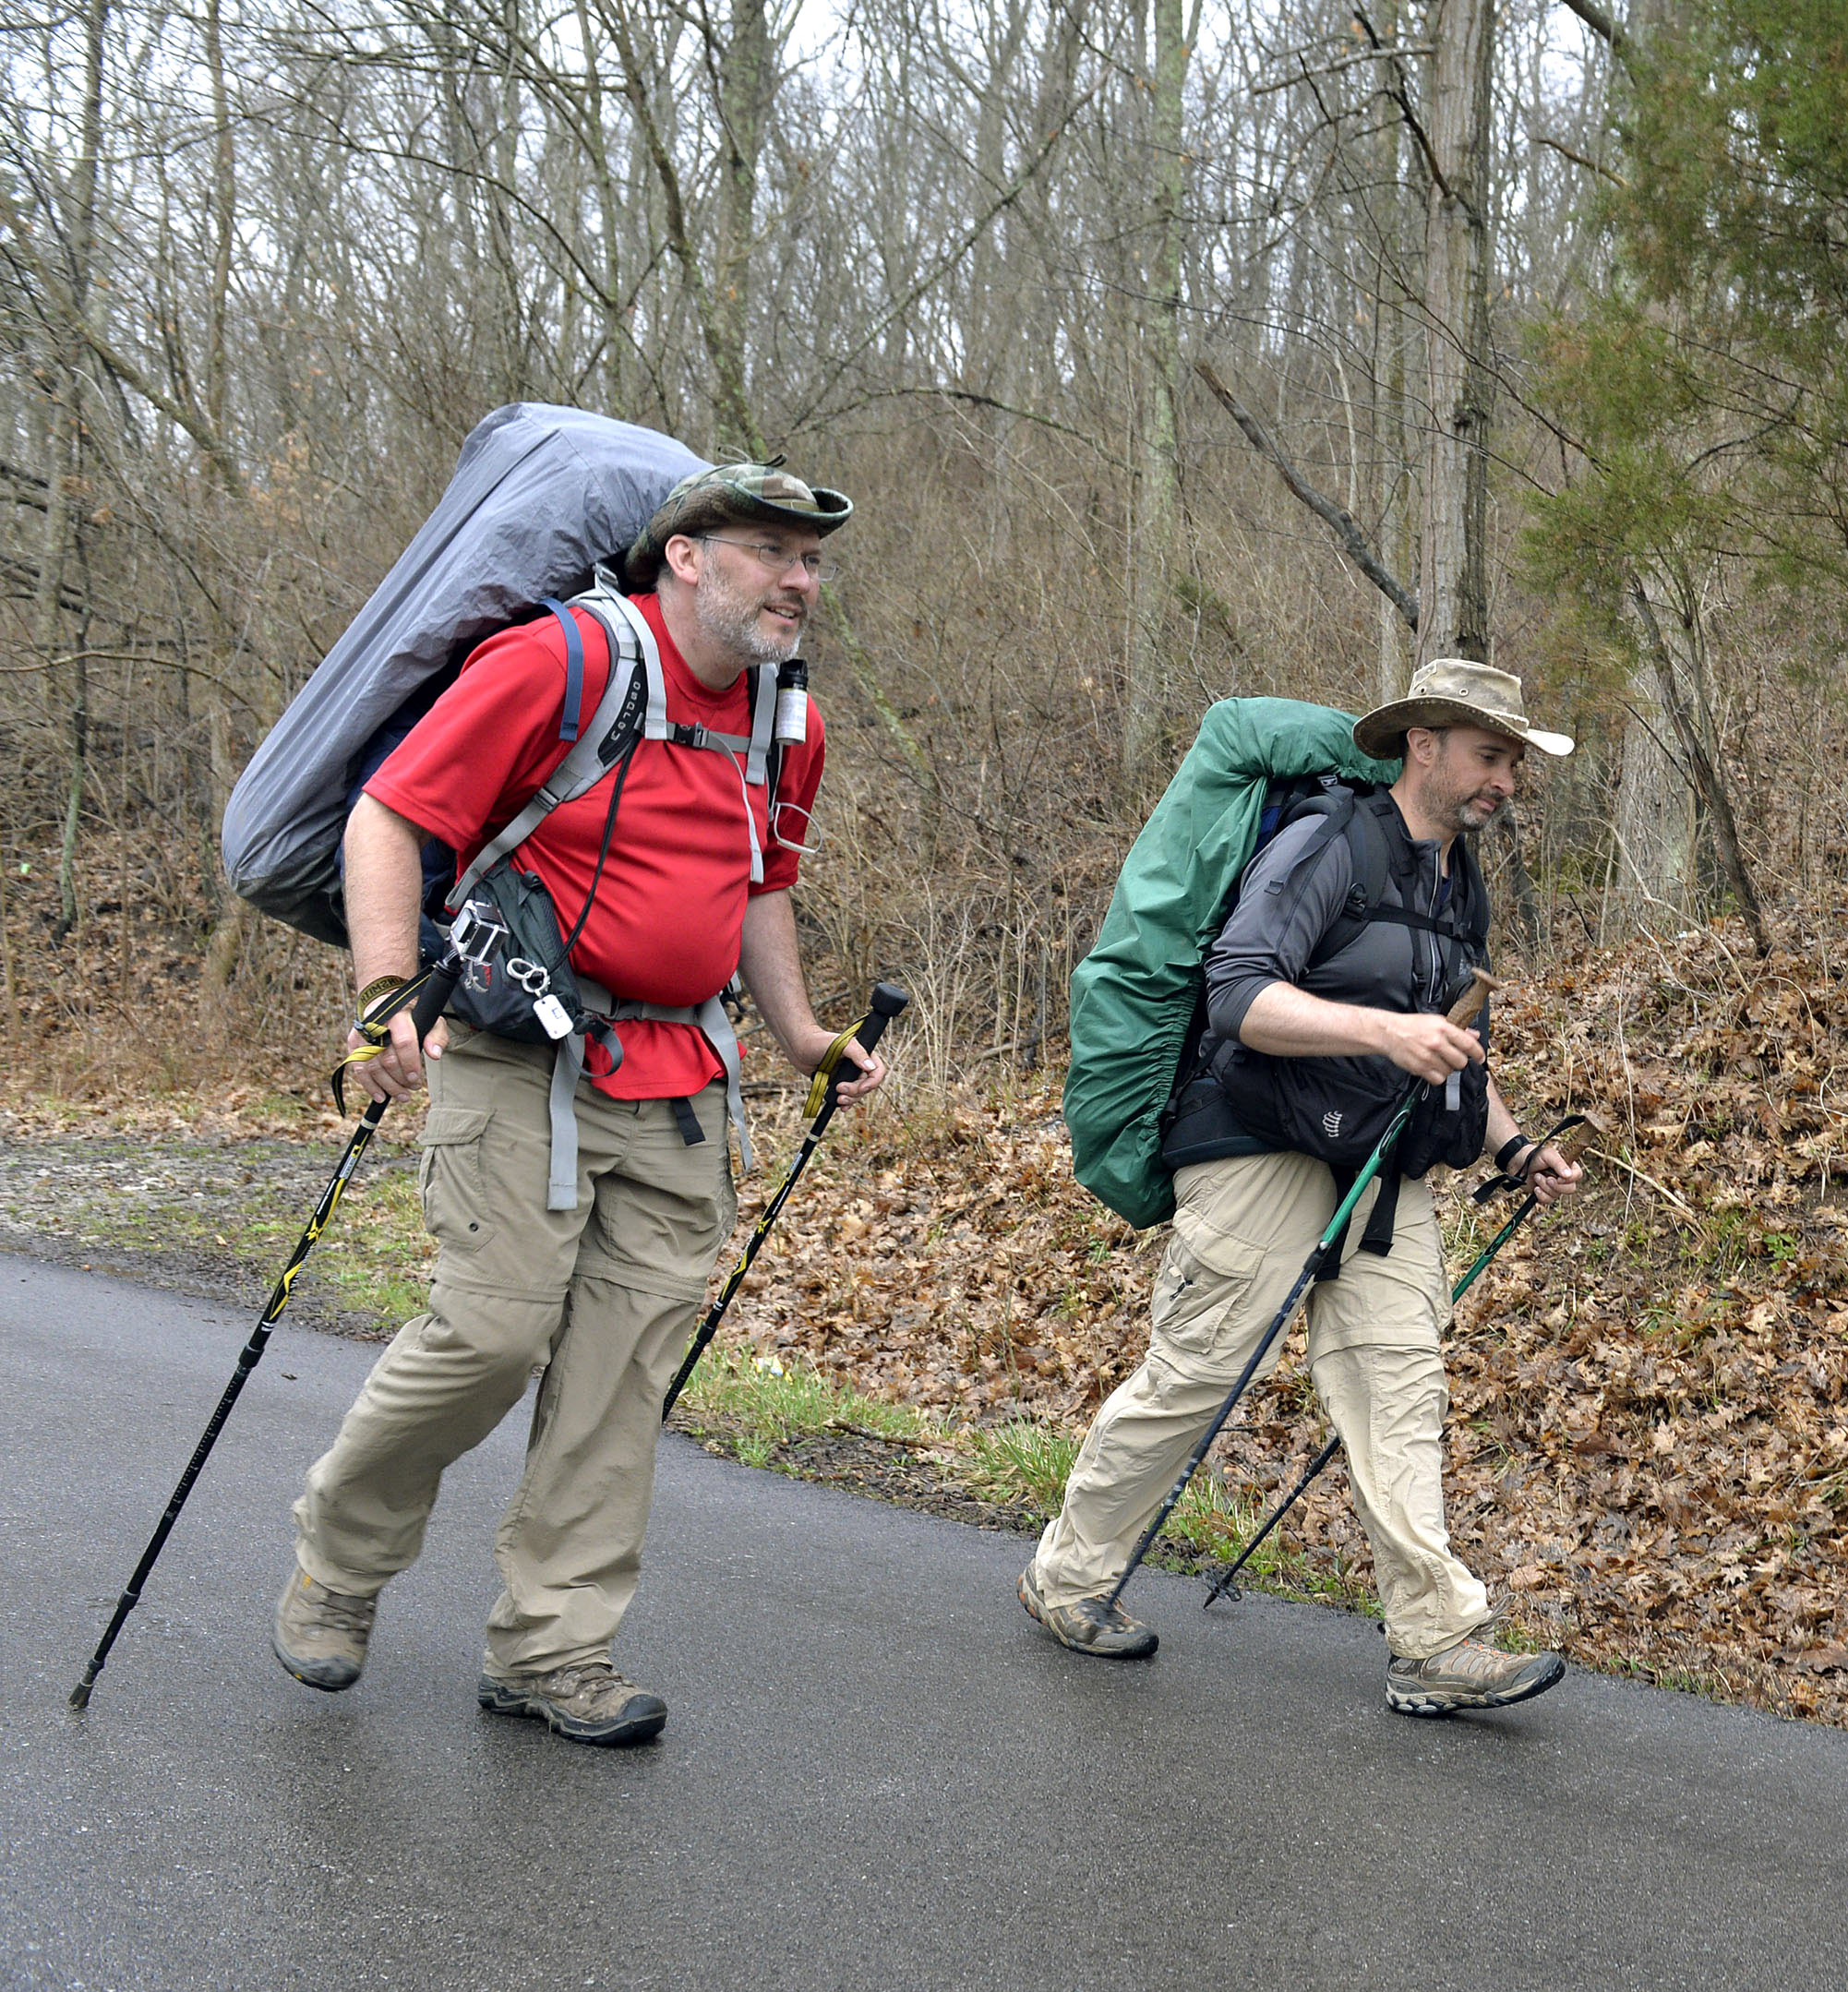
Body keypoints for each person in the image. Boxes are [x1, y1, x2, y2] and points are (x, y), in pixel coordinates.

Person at [271, 462, 886, 1748]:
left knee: (620, 1376)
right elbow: (389, 816)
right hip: (516, 1057)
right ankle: (340, 1561)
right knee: (492, 1333)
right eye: (772, 550)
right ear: (685, 556)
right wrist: (385, 989)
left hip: (682, 1081)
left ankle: (553, 1647)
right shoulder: (560, 664)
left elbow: (761, 882)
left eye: (813, 559)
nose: (800, 580)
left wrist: (799, 1034)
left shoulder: (788, 721)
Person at [1021, 659, 1587, 1715]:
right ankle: (1070, 1573)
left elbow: (1450, 1042)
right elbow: (1238, 993)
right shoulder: (1329, 840)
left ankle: (1435, 1641)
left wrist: (1513, 1147)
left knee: (1398, 1384)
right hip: (1256, 1140)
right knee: (1194, 1373)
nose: (1505, 781)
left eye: (1512, 762)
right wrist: (1382, 1031)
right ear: (1423, 744)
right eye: (1489, 755)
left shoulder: (1458, 880)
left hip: (1381, 1161)